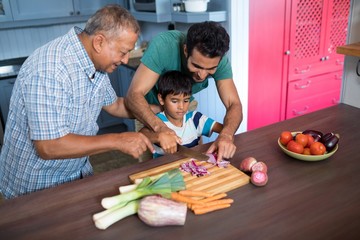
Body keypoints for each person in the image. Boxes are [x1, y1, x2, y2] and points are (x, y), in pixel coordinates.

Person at [0, 5, 155, 199]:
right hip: (36, 187)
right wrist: (118, 140)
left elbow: (114, 105)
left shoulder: (96, 63)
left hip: (77, 174)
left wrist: (156, 110)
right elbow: (49, 146)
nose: (125, 60)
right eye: (123, 52)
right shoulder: (50, 69)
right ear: (99, 42)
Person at [125, 21, 242, 162]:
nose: (202, 75)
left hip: (186, 107)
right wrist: (161, 128)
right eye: (196, 66)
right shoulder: (163, 46)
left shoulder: (218, 60)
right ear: (186, 50)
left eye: (210, 69)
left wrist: (227, 135)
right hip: (148, 111)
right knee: (149, 166)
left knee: (193, 161)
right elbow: (133, 95)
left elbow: (233, 103)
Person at [140, 70, 223, 158]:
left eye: (186, 100)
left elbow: (223, 129)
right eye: (175, 101)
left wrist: (224, 138)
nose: (181, 106)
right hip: (164, 169)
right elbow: (141, 135)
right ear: (161, 99)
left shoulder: (195, 119)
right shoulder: (157, 121)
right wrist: (158, 137)